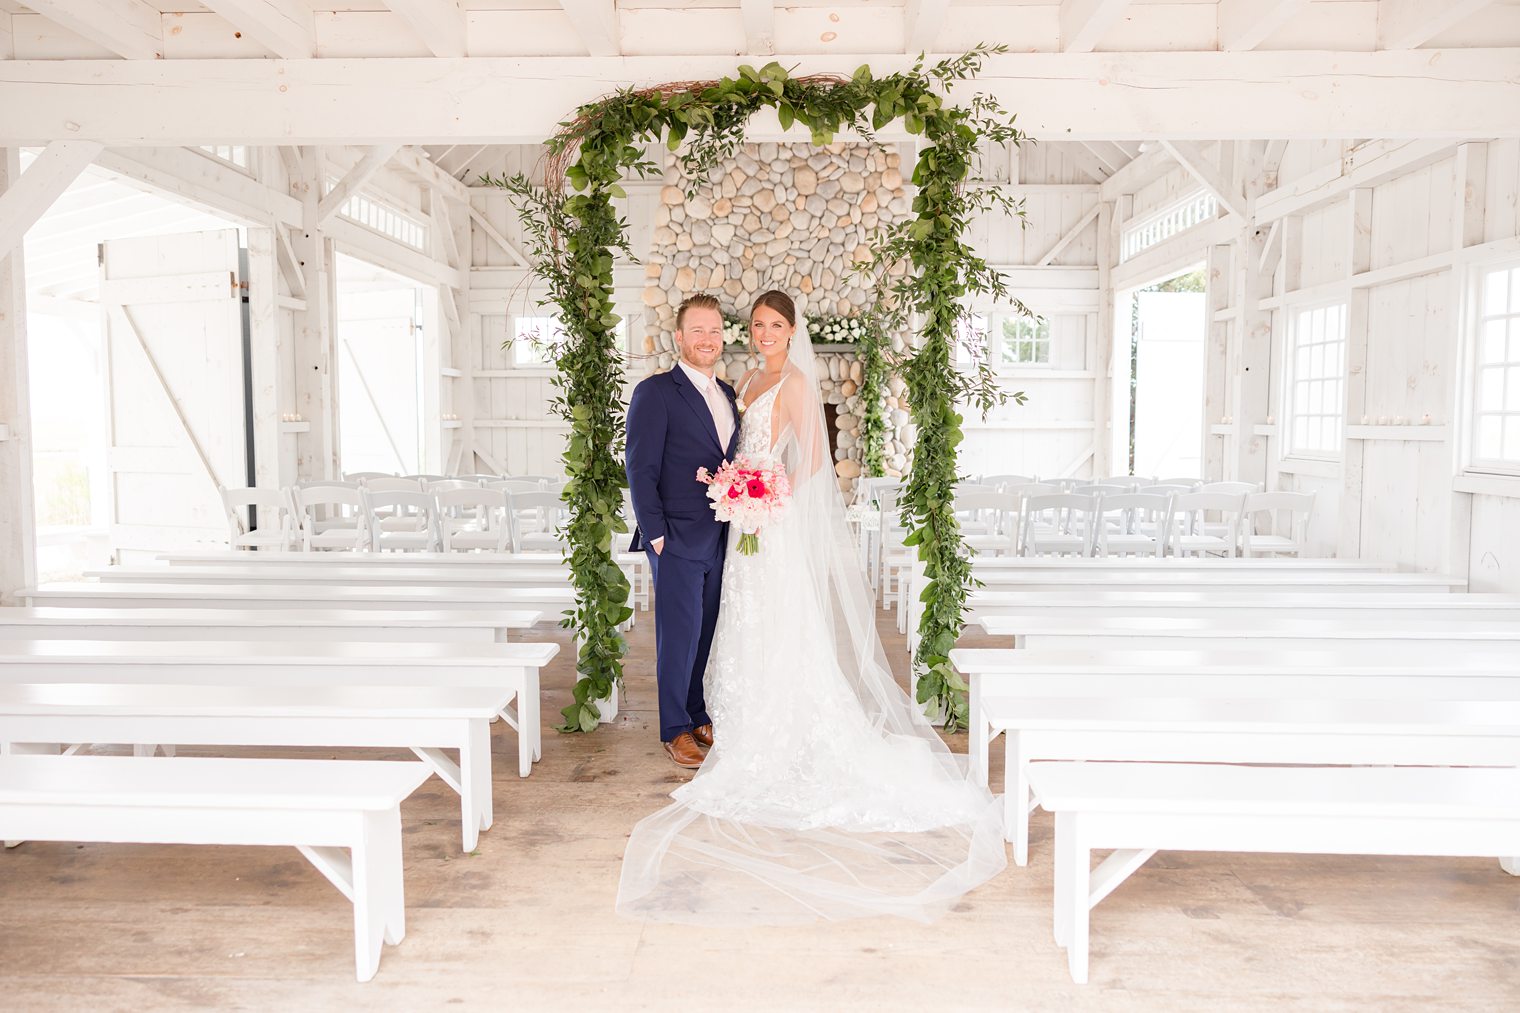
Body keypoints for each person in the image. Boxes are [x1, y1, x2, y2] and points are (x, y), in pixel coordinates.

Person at [617, 290, 1007, 925]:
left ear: (792, 331)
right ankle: (688, 725)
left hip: (761, 523)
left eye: (773, 326)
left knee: (758, 623)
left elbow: (813, 462)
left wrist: (769, 498)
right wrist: (705, 505)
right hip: (723, 524)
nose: (760, 333)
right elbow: (664, 460)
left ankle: (732, 719)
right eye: (754, 326)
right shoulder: (730, 382)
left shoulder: (789, 382)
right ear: (690, 335)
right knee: (711, 627)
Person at [625, 293, 741, 769]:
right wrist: (655, 534)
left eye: (714, 331)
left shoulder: (729, 394)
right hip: (673, 536)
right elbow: (639, 465)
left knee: (705, 629)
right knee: (679, 633)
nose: (707, 339)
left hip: (720, 535)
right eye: (698, 331)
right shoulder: (655, 392)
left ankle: (696, 712)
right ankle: (674, 728)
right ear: (679, 337)